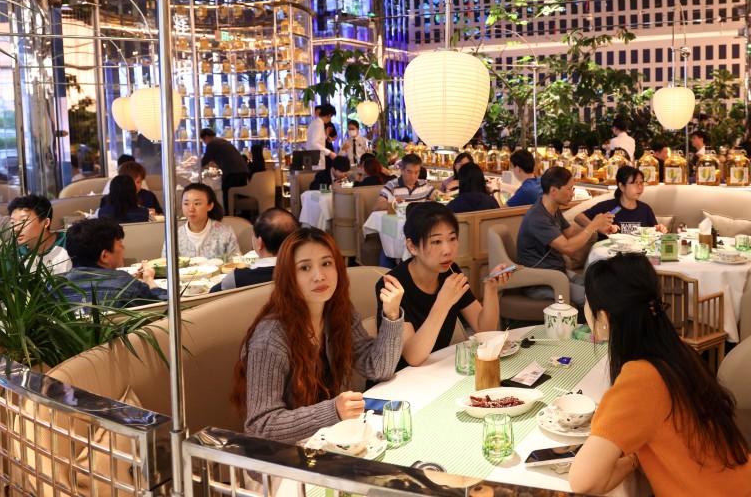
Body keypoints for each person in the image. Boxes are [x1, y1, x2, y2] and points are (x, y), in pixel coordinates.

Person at [568, 253, 751, 496]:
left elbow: (584, 481)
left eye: (587, 302)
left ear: (604, 317)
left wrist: (633, 460)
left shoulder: (641, 380)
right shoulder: (677, 350)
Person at [231, 228, 405, 444]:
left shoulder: (339, 313)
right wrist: (333, 411)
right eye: (305, 267)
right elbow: (261, 426)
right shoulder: (271, 338)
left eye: (326, 263)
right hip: (280, 460)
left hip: (327, 442)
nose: (319, 276)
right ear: (289, 276)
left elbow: (378, 368)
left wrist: (391, 314)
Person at [376, 202, 511, 368]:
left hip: (435, 372)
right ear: (412, 247)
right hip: (400, 381)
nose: (448, 250)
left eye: (452, 239)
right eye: (436, 242)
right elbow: (413, 357)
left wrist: (491, 287)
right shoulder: (393, 286)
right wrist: (443, 302)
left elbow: (484, 329)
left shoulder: (450, 271)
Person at [516, 167, 613, 305]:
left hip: (558, 273)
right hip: (541, 281)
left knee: (601, 286)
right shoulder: (538, 217)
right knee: (593, 298)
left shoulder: (552, 210)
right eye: (569, 189)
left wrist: (596, 228)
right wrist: (593, 225)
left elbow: (571, 233)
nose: (572, 194)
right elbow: (567, 248)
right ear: (554, 190)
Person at [60, 218, 166, 308]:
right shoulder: (125, 284)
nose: (123, 248)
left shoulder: (54, 288)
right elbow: (163, 308)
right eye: (120, 244)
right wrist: (150, 281)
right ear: (104, 256)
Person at [211, 208, 300, 292]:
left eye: (254, 235)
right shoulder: (303, 273)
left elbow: (211, 296)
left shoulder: (238, 279)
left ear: (260, 242)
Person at [574, 166, 666, 237]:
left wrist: (658, 230)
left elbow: (653, 232)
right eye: (634, 183)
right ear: (622, 186)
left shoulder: (645, 209)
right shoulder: (607, 207)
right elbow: (579, 217)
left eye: (641, 182)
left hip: (637, 256)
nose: (640, 187)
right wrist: (597, 227)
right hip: (609, 256)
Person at [173, 183, 242, 258]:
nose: (191, 209)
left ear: (210, 206)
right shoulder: (175, 236)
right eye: (186, 204)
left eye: (197, 203)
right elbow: (165, 265)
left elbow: (236, 262)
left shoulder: (225, 232)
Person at [8, 195, 72, 274]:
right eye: (12, 222)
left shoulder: (70, 242)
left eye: (24, 221)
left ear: (46, 223)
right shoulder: (12, 255)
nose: (15, 229)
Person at [200, 128, 251, 211]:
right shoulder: (220, 141)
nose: (204, 142)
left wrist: (197, 166)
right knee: (241, 195)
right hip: (241, 169)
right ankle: (243, 216)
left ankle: (229, 215)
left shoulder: (212, 144)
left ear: (206, 137)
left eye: (203, 140)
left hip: (233, 171)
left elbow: (205, 160)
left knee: (227, 193)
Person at [306, 103, 338, 169]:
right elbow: (314, 143)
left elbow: (317, 140)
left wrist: (325, 135)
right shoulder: (319, 124)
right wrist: (329, 152)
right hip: (316, 158)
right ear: (329, 115)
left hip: (313, 157)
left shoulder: (315, 123)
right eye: (331, 117)